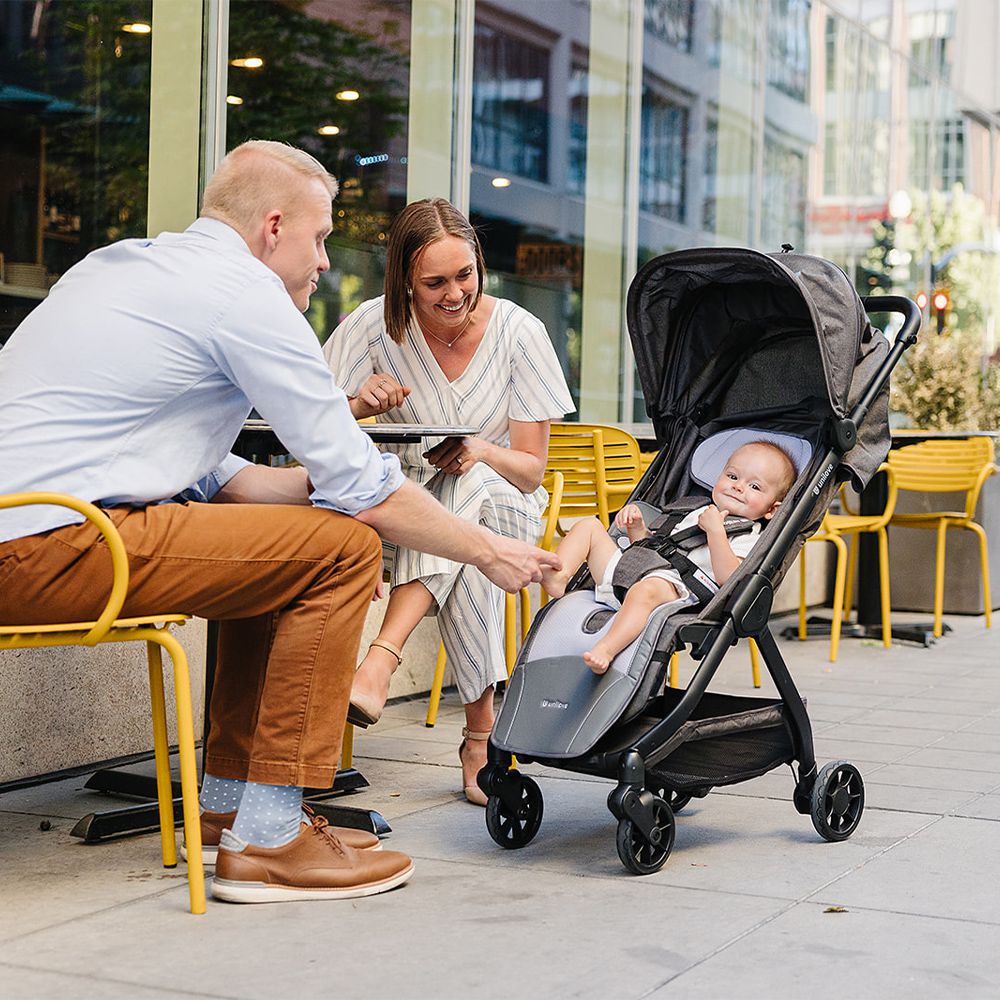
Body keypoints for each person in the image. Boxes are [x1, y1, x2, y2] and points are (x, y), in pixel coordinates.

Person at [0, 141, 561, 904]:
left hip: (36, 531)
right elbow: (358, 488)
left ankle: (233, 800)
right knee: (342, 548)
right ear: (272, 227)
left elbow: (230, 480)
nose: (326, 260)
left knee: (294, 548)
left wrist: (330, 488)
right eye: (321, 236)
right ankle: (269, 839)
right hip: (51, 543)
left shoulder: (120, 267)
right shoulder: (243, 296)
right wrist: (488, 549)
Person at [324, 197, 574, 805]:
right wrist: (359, 404)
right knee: (465, 545)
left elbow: (531, 469)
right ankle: (481, 740)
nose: (455, 293)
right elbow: (311, 425)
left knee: (469, 489)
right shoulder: (370, 329)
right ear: (404, 280)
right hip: (400, 511)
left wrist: (480, 451)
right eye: (434, 282)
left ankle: (381, 660)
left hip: (506, 501)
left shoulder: (521, 332)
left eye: (465, 275)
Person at [541, 441, 796, 673]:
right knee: (589, 526)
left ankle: (606, 649)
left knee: (647, 589)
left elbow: (728, 578)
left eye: (754, 486)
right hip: (635, 571)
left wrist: (717, 533)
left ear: (772, 509)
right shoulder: (692, 509)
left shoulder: (749, 534)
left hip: (677, 588)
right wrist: (637, 528)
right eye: (732, 476)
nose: (738, 486)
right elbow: (653, 549)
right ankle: (559, 577)